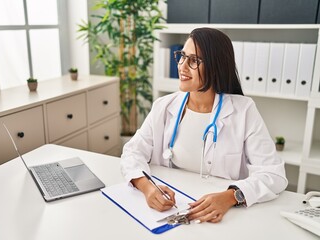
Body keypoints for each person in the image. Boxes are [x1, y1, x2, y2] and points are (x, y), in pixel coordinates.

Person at [120, 27, 288, 223]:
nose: (182, 66)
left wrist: (230, 197)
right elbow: (132, 152)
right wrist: (147, 188)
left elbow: (273, 175)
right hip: (172, 210)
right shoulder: (164, 106)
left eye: (194, 60)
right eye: (182, 56)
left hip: (222, 217)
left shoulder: (243, 110)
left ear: (216, 66)